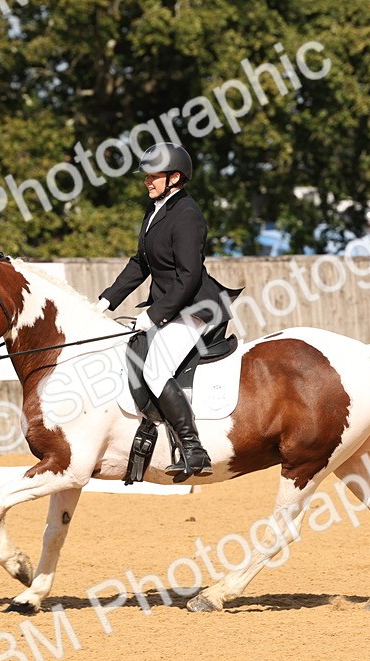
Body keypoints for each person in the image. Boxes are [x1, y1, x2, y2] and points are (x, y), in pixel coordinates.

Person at [96, 142, 241, 481]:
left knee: (157, 370)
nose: (147, 182)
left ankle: (194, 449)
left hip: (195, 306)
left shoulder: (188, 214)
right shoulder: (156, 210)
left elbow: (189, 277)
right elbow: (140, 263)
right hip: (170, 305)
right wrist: (106, 300)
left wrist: (155, 314)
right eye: (146, 176)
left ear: (175, 177)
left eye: (153, 177)